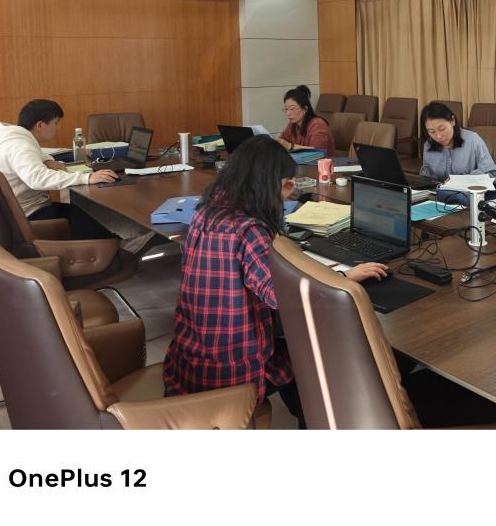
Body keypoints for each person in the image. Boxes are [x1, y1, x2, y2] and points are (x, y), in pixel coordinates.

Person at [163, 135, 387, 425]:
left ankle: (306, 414)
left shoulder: (206, 212)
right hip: (231, 371)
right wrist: (343, 276)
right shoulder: (248, 230)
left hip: (190, 360)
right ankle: (319, 421)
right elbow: (283, 296)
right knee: (323, 351)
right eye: (285, 185)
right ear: (270, 184)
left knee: (296, 342)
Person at [0, 98, 117, 238]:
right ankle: (114, 245)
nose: (58, 128)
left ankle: (110, 242)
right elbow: (38, 178)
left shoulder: (13, 140)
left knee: (76, 213)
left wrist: (45, 160)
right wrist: (86, 177)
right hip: (24, 216)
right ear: (40, 125)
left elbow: (32, 155)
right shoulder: (21, 146)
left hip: (6, 213)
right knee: (78, 216)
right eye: (56, 122)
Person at [419, 101, 496, 183]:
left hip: (469, 190)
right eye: (432, 132)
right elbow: (427, 176)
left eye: (442, 129)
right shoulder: (429, 144)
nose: (438, 136)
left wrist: (463, 179)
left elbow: (494, 175)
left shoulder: (472, 140)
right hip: (439, 191)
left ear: (452, 121)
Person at [277, 85, 335, 157]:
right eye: (286, 109)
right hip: (300, 162)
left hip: (322, 163)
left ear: (305, 109)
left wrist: (290, 146)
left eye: (292, 109)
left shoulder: (318, 124)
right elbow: (282, 141)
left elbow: (317, 153)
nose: (288, 113)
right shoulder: (292, 124)